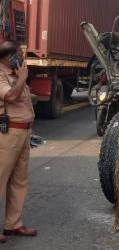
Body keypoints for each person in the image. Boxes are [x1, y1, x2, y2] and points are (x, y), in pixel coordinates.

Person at [0, 41, 37, 244]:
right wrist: (22, 78)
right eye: (20, 54)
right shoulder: (1, 74)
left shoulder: (14, 73)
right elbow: (12, 97)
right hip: (7, 134)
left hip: (23, 133)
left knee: (19, 181)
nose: (23, 58)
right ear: (10, 57)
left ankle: (13, 224)